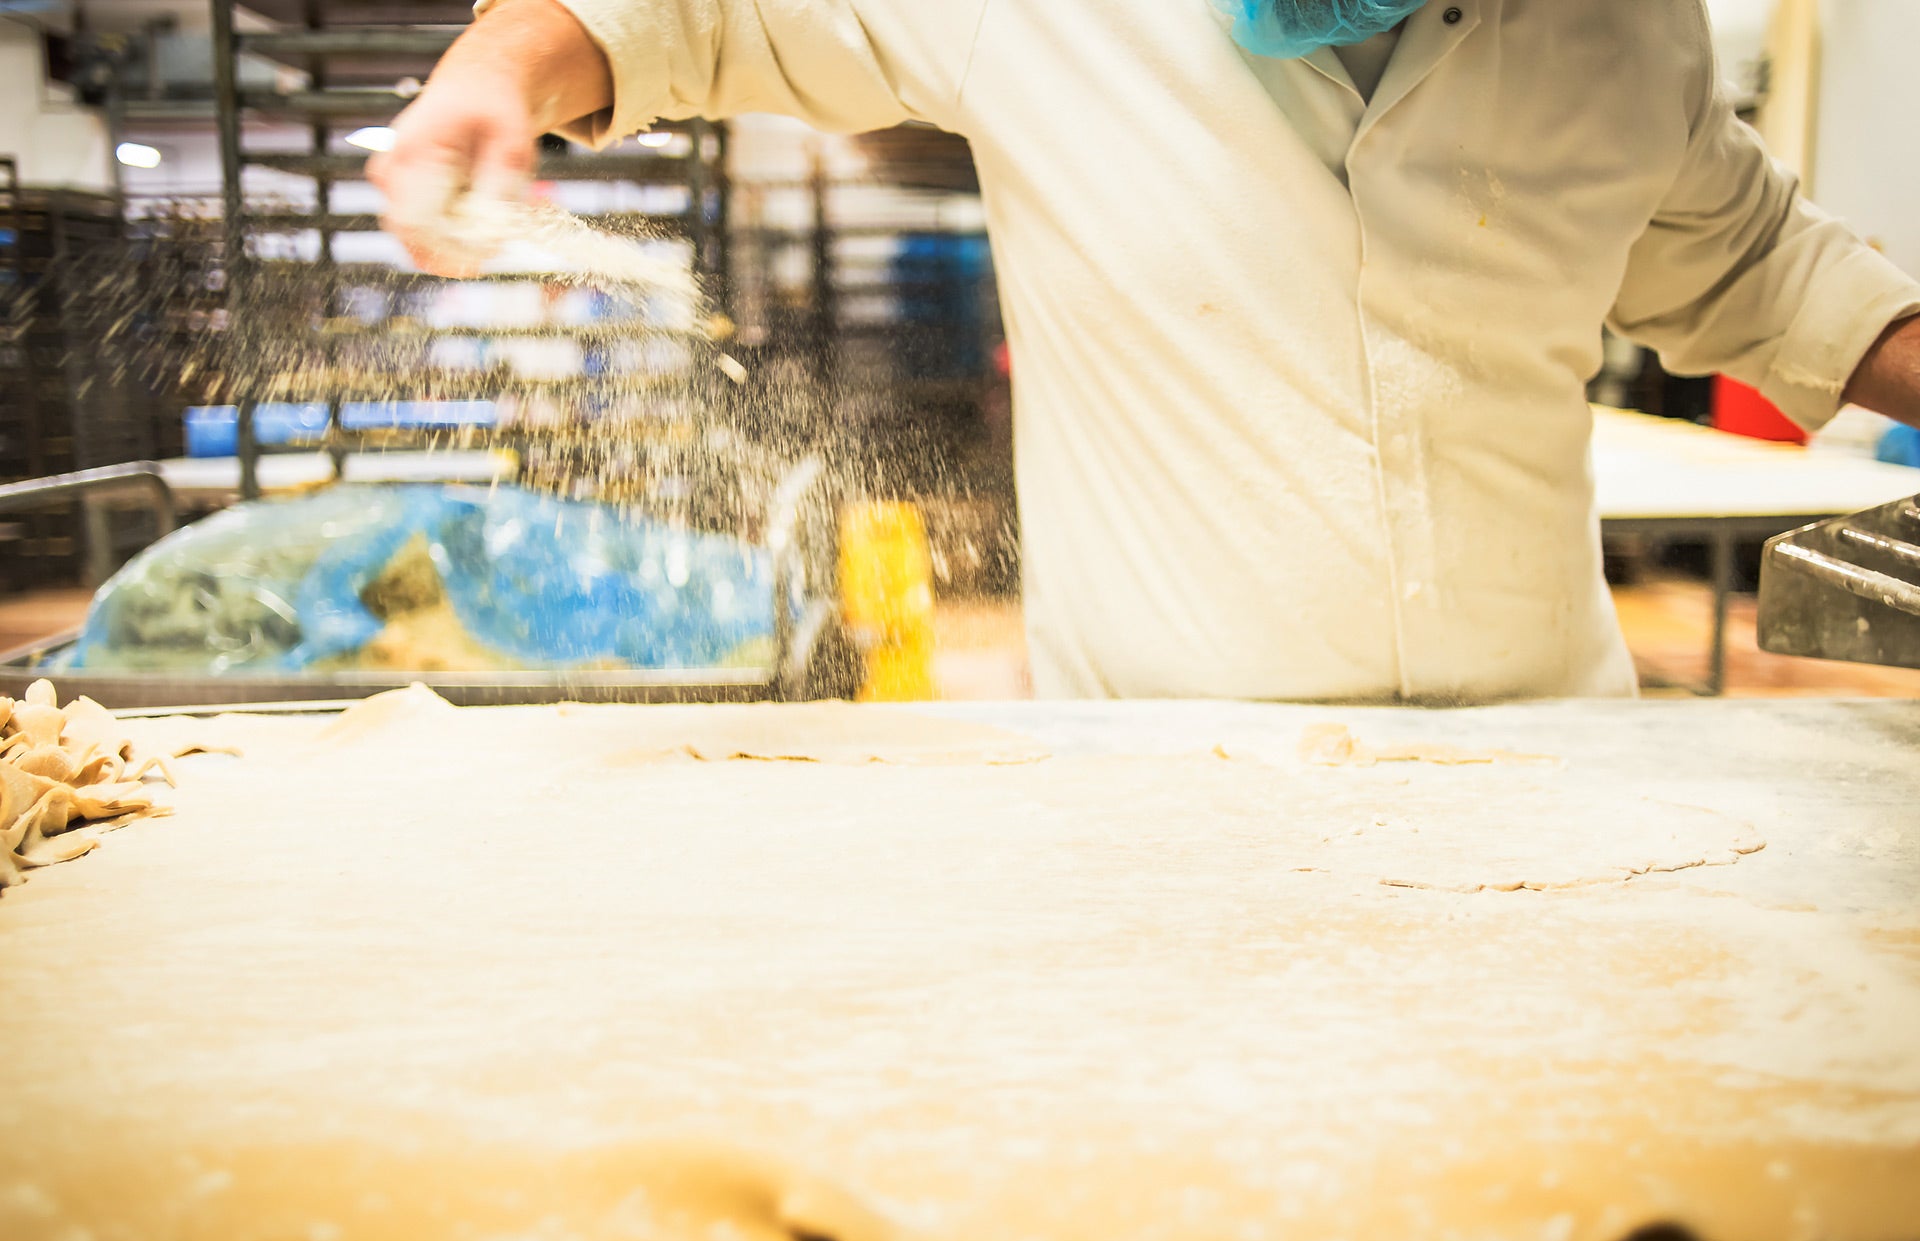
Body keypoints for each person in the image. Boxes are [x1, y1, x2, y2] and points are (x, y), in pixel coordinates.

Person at [369, 0, 1920, 702]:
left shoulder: (1614, 30)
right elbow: (693, 14)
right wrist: (504, 62)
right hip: (1172, 806)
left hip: (1556, 773)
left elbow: (1764, 264)